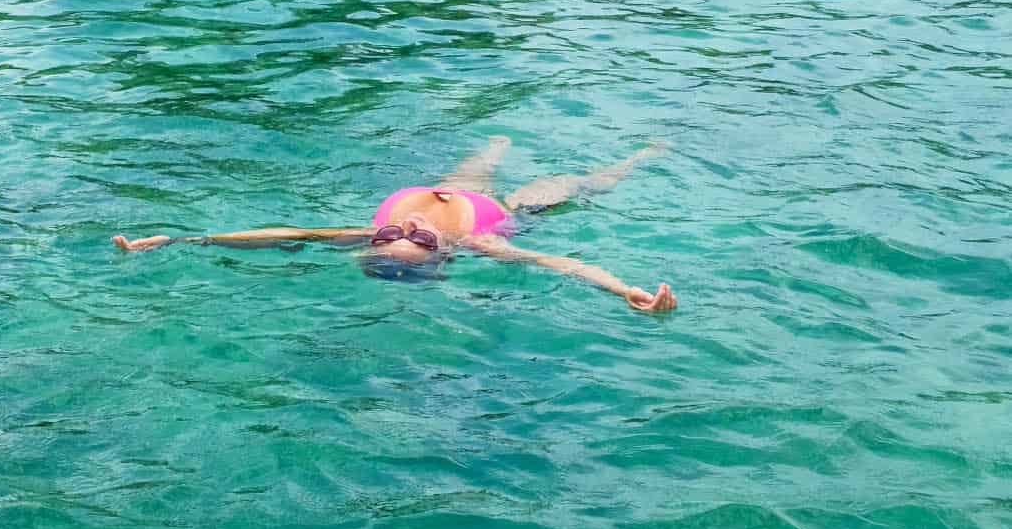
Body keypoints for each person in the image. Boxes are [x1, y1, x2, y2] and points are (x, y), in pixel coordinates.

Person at [112, 135, 677, 314]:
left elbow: (284, 232)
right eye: (418, 238)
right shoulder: (477, 242)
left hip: (457, 188)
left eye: (392, 236)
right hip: (504, 211)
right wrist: (625, 290)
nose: (403, 229)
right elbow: (560, 264)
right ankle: (638, 159)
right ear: (443, 250)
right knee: (576, 185)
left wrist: (185, 238)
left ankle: (500, 141)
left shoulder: (364, 237)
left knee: (484, 155)